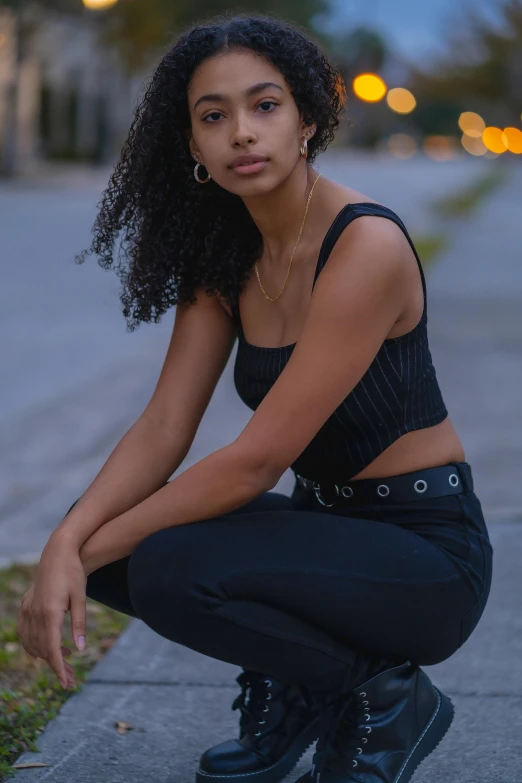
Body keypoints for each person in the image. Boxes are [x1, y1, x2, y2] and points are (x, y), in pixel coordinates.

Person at [16, 12, 493, 783]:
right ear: (194, 144)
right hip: (323, 532)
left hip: (426, 555)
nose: (242, 132)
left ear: (307, 118)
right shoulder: (224, 255)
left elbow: (253, 463)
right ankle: (305, 685)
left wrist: (69, 556)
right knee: (110, 543)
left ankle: (384, 697)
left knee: (160, 562)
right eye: (214, 116)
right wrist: (67, 543)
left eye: (264, 106)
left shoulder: (363, 244)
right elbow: (166, 422)